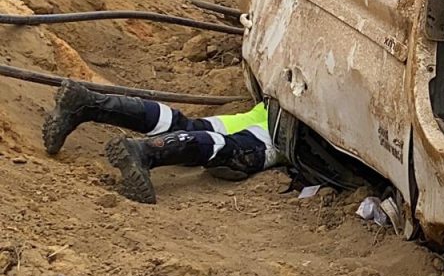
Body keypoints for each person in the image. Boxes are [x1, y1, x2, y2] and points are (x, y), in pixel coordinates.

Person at [43, 80, 279, 204]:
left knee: (186, 127)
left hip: (271, 109)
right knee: (237, 151)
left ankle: (88, 103)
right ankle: (145, 153)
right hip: (291, 128)